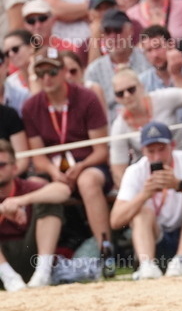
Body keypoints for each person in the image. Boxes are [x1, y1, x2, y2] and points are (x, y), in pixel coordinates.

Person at [22, 46, 114, 264]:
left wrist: (80, 167)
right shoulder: (31, 107)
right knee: (35, 183)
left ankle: (106, 253)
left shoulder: (87, 98)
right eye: (41, 73)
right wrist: (54, 172)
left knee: (87, 181)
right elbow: (38, 157)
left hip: (88, 164)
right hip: (54, 169)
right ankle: (40, 263)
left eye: (52, 72)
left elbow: (101, 150)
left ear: (64, 71)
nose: (47, 78)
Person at [111, 120, 182, 280]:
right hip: (161, 242)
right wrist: (144, 194)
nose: (157, 157)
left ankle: (181, 259)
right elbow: (116, 221)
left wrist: (181, 185)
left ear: (172, 145)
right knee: (140, 212)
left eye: (162, 149)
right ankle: (147, 266)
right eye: (151, 151)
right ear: (143, 151)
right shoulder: (135, 171)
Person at [0, 136, 69, 291]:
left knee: (49, 200)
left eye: (1, 165)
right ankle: (9, 277)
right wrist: (3, 209)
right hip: (3, 263)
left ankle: (42, 275)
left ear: (15, 168)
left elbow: (63, 190)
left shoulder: (26, 186)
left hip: (30, 255)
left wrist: (20, 201)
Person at [109, 66, 182, 184]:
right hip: (150, 176)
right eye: (120, 93)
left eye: (131, 89)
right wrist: (133, 191)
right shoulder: (118, 126)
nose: (127, 95)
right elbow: (118, 170)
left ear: (141, 87)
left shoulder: (163, 98)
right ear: (116, 98)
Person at [84, 7, 150, 121]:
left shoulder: (148, 59)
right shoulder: (94, 71)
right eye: (108, 31)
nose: (113, 36)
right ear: (102, 36)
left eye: (118, 30)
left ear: (131, 31)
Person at [139, 24, 182, 92]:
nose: (155, 55)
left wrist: (178, 75)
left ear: (171, 45)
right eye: (149, 50)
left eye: (158, 47)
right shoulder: (141, 83)